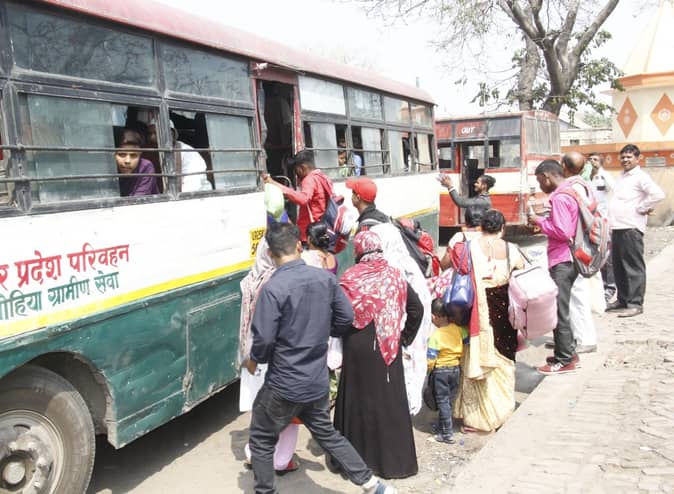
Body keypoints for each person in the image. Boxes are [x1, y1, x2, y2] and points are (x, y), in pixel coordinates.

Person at [246, 223, 396, 494]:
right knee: (328, 434)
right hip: (316, 380)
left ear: (269, 253)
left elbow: (264, 339)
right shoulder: (325, 279)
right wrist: (324, 332)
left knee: (261, 437)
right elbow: (346, 317)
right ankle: (373, 485)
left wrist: (254, 360)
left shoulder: (273, 288)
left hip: (284, 383)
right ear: (299, 246)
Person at [335, 231, 424, 479]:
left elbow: (339, 313)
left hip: (357, 346)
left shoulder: (350, 277)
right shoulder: (394, 275)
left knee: (358, 400)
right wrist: (403, 337)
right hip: (388, 347)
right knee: (388, 402)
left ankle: (355, 462)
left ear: (359, 250)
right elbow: (417, 308)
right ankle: (394, 464)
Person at [346, 176, 433, 416]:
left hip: (395, 305)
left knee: (397, 360)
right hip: (407, 298)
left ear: (357, 198)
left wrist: (402, 337)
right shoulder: (383, 219)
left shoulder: (370, 230)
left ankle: (398, 406)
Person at [238, 211, 300, 476]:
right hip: (275, 357)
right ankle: (281, 460)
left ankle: (255, 453)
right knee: (287, 414)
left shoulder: (252, 278)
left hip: (252, 355)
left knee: (260, 408)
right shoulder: (278, 281)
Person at [452, 209, 524, 431]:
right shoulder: (512, 249)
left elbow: (453, 264)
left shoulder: (468, 247)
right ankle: (502, 412)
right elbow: (521, 272)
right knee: (504, 361)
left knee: (476, 357)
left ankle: (478, 419)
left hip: (476, 312)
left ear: (481, 226)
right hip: (504, 313)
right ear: (502, 228)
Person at [528, 160, 581, 375]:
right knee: (563, 308)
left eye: (540, 181)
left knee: (558, 310)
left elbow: (563, 231)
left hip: (562, 259)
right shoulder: (570, 191)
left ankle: (564, 360)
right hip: (569, 258)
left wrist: (539, 221)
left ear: (547, 176)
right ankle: (568, 351)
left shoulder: (559, 198)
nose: (541, 186)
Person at [606, 144, 665, 318]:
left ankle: (635, 304)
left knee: (632, 267)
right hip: (617, 226)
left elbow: (658, 194)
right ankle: (623, 299)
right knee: (618, 266)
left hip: (630, 227)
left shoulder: (640, 177)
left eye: (629, 157)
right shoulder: (622, 177)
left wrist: (642, 207)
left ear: (637, 159)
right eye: (623, 157)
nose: (625, 160)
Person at [561, 152, 599, 354]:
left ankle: (585, 339)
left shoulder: (572, 187)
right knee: (575, 292)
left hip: (576, 245)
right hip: (582, 243)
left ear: (564, 166)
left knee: (577, 293)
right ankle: (576, 336)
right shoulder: (583, 184)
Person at [263, 150, 334, 242]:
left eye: (296, 170)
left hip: (310, 233)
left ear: (302, 167)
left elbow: (303, 199)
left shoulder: (309, 179)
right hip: (322, 228)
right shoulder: (323, 177)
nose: (296, 174)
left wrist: (275, 184)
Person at [427, 298, 465, 444]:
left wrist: (428, 370)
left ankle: (447, 433)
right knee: (448, 401)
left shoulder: (436, 336)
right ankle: (441, 426)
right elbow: (467, 337)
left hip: (441, 371)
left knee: (442, 401)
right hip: (455, 369)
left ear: (435, 316)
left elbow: (431, 358)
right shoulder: (457, 329)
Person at [148, 120, 211, 192]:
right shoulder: (155, 153)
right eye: (150, 134)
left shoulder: (187, 152)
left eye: (156, 133)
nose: (152, 138)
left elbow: (193, 185)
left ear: (171, 134)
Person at [589, 152, 616, 303]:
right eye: (590, 159)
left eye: (595, 159)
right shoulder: (586, 177)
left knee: (606, 254)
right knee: (594, 255)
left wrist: (602, 174)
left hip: (603, 219)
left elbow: (612, 188)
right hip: (590, 220)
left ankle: (610, 287)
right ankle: (598, 289)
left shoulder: (604, 176)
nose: (592, 161)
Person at [115, 129, 159, 197]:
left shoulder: (146, 167)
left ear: (140, 154)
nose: (127, 161)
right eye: (122, 154)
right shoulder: (108, 167)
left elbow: (137, 201)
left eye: (133, 155)